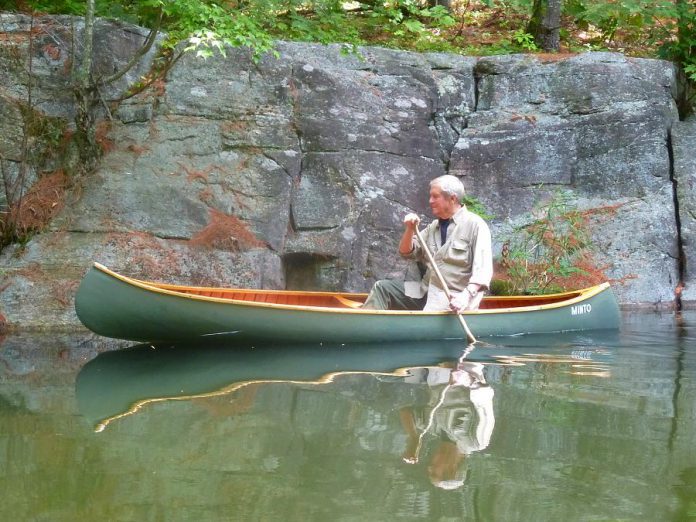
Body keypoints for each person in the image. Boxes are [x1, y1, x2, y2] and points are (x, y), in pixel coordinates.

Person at [362, 175, 493, 313]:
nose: (430, 201)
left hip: (452, 300)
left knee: (435, 309)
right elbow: (406, 252)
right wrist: (410, 229)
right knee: (383, 288)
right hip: (424, 291)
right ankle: (365, 328)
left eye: (435, 196)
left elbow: (483, 272)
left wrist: (465, 296)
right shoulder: (433, 227)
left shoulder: (476, 225)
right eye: (430, 196)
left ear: (452, 198)